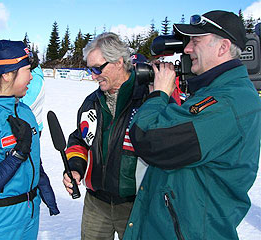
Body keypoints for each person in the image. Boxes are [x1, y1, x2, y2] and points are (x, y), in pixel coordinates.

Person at [123, 10, 261, 240]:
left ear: (223, 47)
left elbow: (150, 140)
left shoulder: (227, 102)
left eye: (196, 41)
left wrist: (159, 95)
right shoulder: (214, 92)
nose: (187, 49)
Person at [0, 40, 59, 239]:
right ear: (7, 74)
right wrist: (19, 152)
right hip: (1, 220)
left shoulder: (25, 112)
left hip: (30, 212)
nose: (32, 77)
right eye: (26, 70)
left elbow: (35, 160)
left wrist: (44, 188)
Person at [62, 32, 148, 240]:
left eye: (97, 69)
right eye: (90, 69)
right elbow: (80, 140)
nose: (93, 76)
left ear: (119, 62)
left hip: (136, 204)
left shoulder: (148, 99)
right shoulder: (92, 102)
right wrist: (75, 168)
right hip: (96, 202)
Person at [20, 51, 45, 136]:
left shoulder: (36, 80)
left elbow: (28, 104)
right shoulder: (30, 75)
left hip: (31, 127)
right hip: (25, 124)